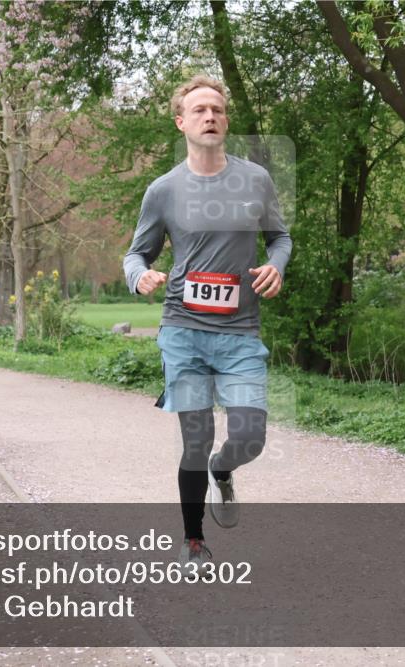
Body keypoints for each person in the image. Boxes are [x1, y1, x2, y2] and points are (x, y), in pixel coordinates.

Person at [123, 75, 292, 566]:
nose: (210, 116)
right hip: (183, 329)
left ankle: (225, 468)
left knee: (250, 437)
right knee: (195, 438)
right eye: (199, 110)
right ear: (182, 122)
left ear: (226, 120)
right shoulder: (163, 190)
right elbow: (137, 254)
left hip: (240, 331)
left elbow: (279, 237)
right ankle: (193, 539)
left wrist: (276, 266)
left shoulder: (255, 179)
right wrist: (141, 279)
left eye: (216, 109)